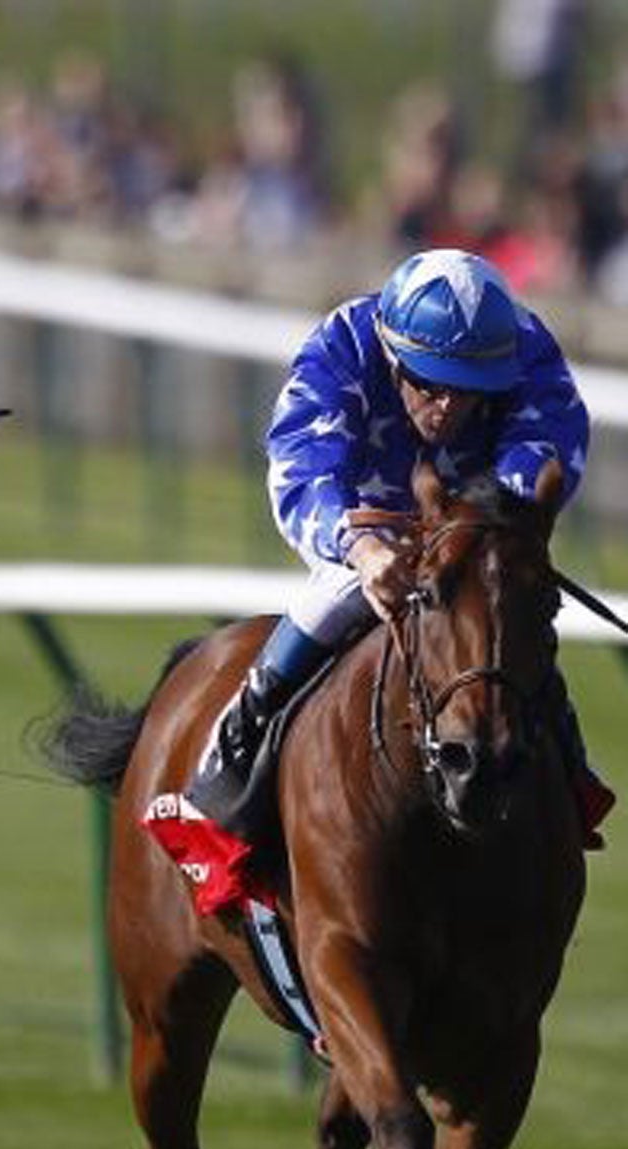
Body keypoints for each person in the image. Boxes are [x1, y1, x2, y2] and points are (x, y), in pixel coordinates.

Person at [145, 247, 610, 913]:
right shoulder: (344, 342)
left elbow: (547, 451)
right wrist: (359, 547)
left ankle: (570, 784)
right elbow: (302, 464)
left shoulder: (523, 345)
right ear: (393, 356)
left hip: (472, 538)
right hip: (367, 528)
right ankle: (224, 780)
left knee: (509, 638)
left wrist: (478, 534)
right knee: (328, 601)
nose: (449, 407)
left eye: (470, 391)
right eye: (430, 384)